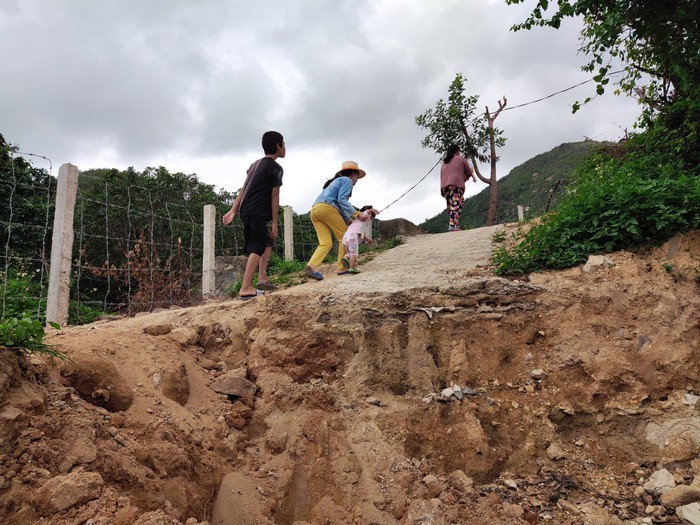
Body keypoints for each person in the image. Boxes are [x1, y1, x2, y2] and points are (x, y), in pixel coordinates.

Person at [222, 131, 285, 299]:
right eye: (283, 144)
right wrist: (274, 222)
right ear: (278, 146)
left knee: (268, 240)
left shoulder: (254, 165)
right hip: (256, 210)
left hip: (247, 208)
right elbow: (274, 196)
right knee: (256, 246)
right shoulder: (276, 168)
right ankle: (246, 287)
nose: (285, 147)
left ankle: (262, 277)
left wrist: (234, 209)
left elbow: (244, 188)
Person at [305, 160, 367, 280]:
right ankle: (341, 267)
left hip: (315, 210)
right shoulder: (347, 180)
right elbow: (342, 200)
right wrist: (356, 214)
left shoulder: (334, 182)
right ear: (353, 174)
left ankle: (312, 265)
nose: (356, 181)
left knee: (325, 243)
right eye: (357, 177)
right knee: (344, 236)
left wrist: (348, 220)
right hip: (328, 208)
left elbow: (339, 205)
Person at [440, 144, 476, 231]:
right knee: (457, 204)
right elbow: (468, 170)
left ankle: (455, 226)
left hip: (444, 186)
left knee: (451, 206)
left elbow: (442, 175)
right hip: (455, 184)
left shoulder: (444, 162)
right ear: (457, 151)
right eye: (459, 151)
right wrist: (470, 177)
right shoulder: (460, 158)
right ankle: (452, 225)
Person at [340, 205, 379, 274]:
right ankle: (352, 268)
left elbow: (362, 235)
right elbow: (365, 213)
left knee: (350, 253)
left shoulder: (356, 221)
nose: (371, 219)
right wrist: (372, 210)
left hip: (345, 237)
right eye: (372, 217)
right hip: (352, 237)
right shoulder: (363, 217)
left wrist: (368, 240)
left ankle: (345, 258)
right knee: (354, 254)